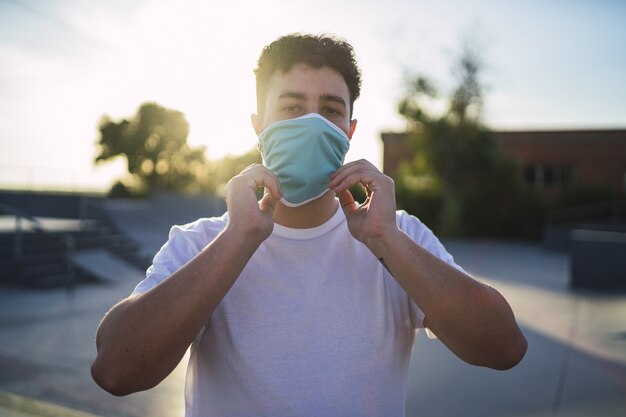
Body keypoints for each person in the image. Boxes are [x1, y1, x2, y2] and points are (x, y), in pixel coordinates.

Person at [91, 33, 527, 416]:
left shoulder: (399, 235)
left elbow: (503, 348)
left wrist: (387, 241)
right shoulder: (201, 242)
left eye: (331, 111)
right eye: (293, 106)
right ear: (258, 127)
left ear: (350, 131)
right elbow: (116, 370)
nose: (313, 123)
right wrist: (238, 239)